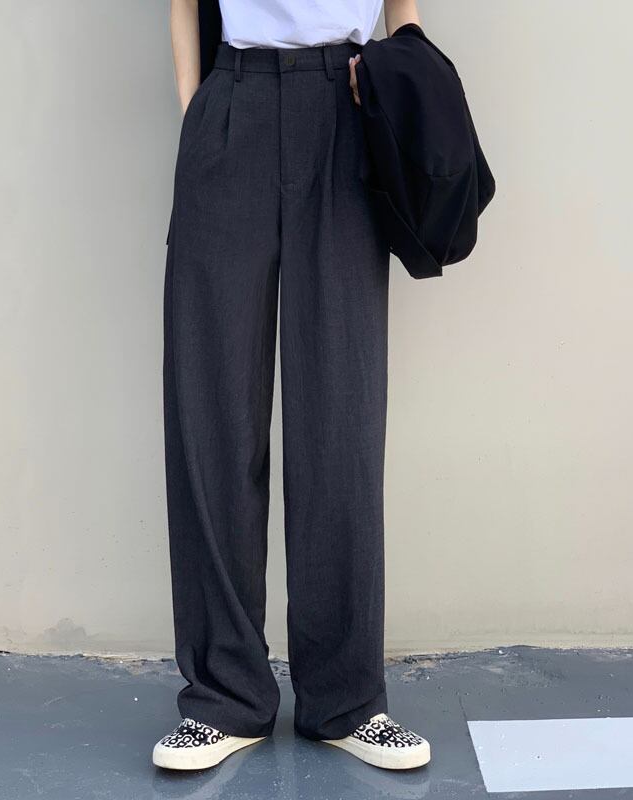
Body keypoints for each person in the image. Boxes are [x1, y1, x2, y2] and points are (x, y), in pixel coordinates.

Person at [153, 0, 431, 771]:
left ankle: (347, 700)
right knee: (211, 412)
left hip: (346, 108)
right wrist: (198, 118)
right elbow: (183, 4)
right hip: (231, 103)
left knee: (342, 419)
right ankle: (223, 699)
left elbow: (402, 8)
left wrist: (409, 89)